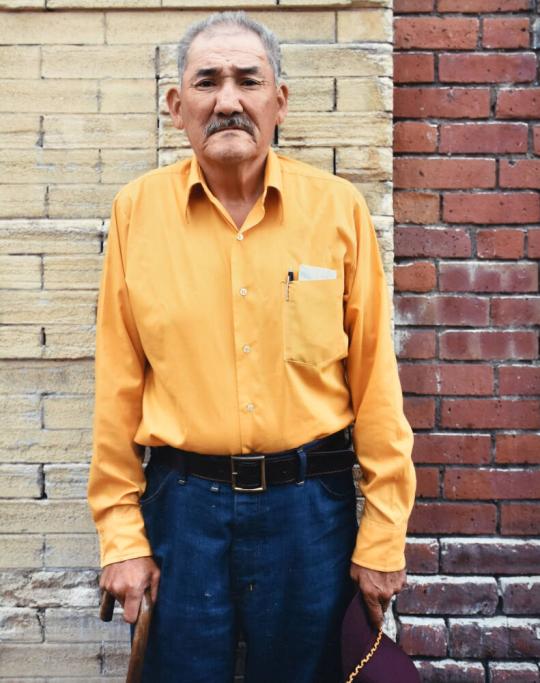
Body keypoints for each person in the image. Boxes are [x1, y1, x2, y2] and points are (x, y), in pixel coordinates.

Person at [87, 11, 416, 683]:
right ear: (177, 107)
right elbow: (116, 387)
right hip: (183, 507)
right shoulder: (137, 213)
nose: (228, 100)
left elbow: (376, 383)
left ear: (280, 102)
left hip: (310, 512)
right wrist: (122, 537)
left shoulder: (338, 211)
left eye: (248, 80)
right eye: (207, 82)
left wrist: (383, 533)